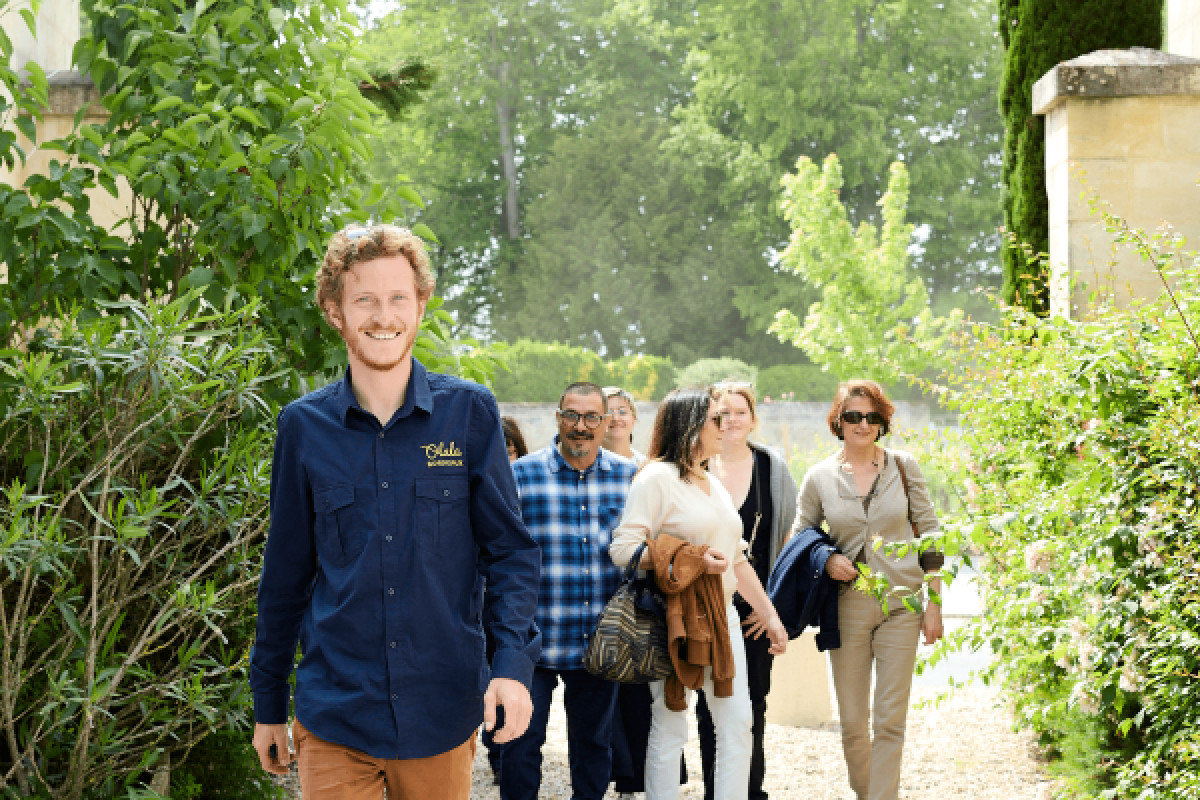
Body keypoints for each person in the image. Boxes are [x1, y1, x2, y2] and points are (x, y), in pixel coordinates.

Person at [249, 225, 541, 800]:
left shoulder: (469, 415)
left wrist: (510, 665)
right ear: (335, 312)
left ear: (421, 305)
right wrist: (267, 705)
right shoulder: (303, 428)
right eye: (365, 299)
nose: (383, 316)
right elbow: (283, 576)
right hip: (336, 713)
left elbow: (510, 554)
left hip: (441, 709)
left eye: (398, 298)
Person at [611, 387, 788, 800]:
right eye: (714, 418)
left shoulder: (711, 481)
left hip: (721, 614)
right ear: (690, 425)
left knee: (738, 721)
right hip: (670, 615)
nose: (723, 424)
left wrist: (770, 617)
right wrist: (686, 561)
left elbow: (738, 558)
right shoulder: (657, 478)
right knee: (670, 723)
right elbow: (622, 548)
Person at [793, 380, 944, 800]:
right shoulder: (819, 476)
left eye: (872, 417)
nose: (863, 424)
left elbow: (930, 532)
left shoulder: (903, 466)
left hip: (903, 603)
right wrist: (825, 560)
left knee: (890, 719)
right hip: (847, 607)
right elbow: (800, 535)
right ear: (838, 422)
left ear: (883, 422)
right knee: (854, 724)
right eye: (853, 416)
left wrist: (934, 603)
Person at [501, 382, 638, 800]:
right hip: (532, 642)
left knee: (594, 746)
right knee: (519, 745)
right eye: (572, 416)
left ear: (605, 422)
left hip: (598, 641)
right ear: (558, 418)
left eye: (592, 417)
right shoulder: (519, 476)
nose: (582, 426)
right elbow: (494, 552)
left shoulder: (631, 478)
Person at [695, 382, 799, 800]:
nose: (731, 420)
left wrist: (769, 606)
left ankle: (750, 792)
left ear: (753, 418)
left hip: (757, 605)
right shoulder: (697, 466)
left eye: (740, 411)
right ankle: (715, 792)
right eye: (722, 413)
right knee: (709, 706)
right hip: (705, 605)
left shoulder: (773, 468)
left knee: (753, 705)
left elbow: (791, 540)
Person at [602, 386, 647, 467]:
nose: (615, 418)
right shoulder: (581, 466)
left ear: (634, 419)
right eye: (608, 412)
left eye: (622, 412)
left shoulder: (646, 467)